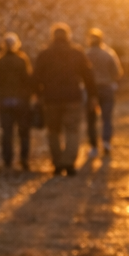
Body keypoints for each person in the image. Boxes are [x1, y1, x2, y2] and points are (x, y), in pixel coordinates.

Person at [31, 23, 98, 176]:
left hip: (51, 98)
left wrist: (38, 95)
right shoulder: (77, 53)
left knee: (53, 131)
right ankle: (69, 162)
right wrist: (93, 95)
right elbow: (88, 76)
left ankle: (57, 163)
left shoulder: (45, 54)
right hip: (73, 97)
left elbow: (35, 78)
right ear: (68, 36)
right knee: (72, 131)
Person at [0, 33, 35, 170]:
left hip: (4, 99)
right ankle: (24, 158)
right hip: (21, 100)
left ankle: (7, 160)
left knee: (7, 132)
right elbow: (27, 79)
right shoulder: (21, 60)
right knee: (23, 131)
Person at [86, 29, 124, 159]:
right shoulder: (108, 54)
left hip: (90, 90)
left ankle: (93, 147)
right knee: (106, 117)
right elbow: (117, 72)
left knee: (91, 119)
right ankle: (106, 143)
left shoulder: (85, 55)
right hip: (106, 88)